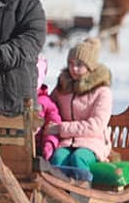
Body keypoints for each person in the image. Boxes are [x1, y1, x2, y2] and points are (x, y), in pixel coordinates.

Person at [46, 37, 113, 180]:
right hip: (66, 142)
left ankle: (82, 195)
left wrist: (61, 128)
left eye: (79, 64)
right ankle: (56, 196)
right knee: (57, 158)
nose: (73, 69)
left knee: (79, 158)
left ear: (90, 67)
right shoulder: (63, 88)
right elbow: (50, 107)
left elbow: (96, 125)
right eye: (70, 63)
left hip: (93, 141)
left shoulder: (101, 92)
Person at [35, 53, 61, 161]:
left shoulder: (46, 102)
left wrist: (49, 145)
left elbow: (53, 126)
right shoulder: (14, 99)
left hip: (38, 151)